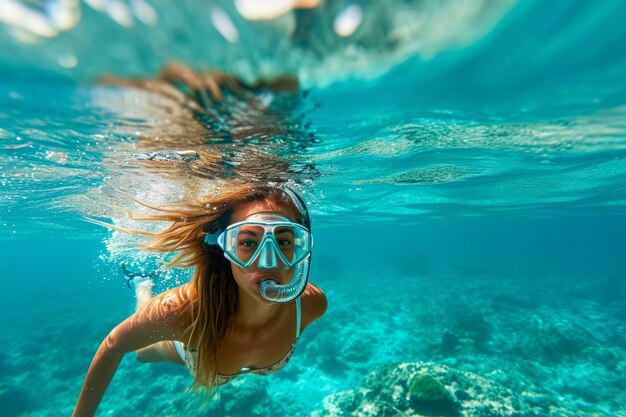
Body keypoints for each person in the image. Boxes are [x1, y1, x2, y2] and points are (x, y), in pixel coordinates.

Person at [72, 182, 327, 417]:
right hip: (190, 344)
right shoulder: (182, 312)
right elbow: (113, 345)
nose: (268, 261)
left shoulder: (312, 304)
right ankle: (142, 285)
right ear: (223, 249)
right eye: (249, 243)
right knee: (141, 353)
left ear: (302, 248)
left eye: (283, 241)